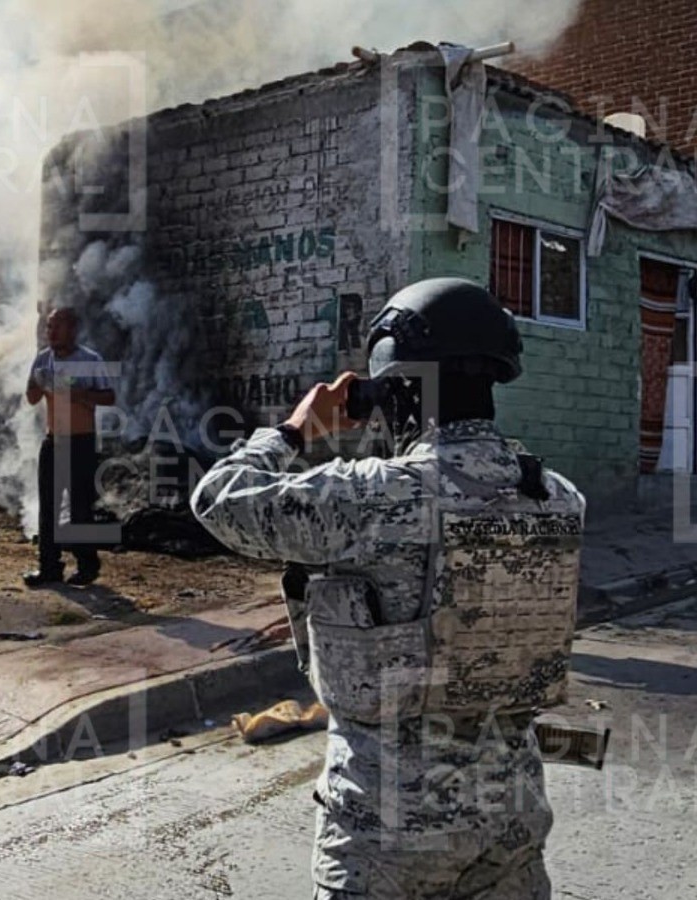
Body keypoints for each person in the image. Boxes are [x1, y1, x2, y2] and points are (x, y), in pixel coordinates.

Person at [190, 278, 586, 899]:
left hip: (384, 839)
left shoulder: (377, 495)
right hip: (509, 825)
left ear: (401, 393)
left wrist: (293, 431)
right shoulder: (559, 498)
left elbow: (218, 499)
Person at [23, 306, 116, 587]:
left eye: (56, 326)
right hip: (53, 442)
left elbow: (109, 397)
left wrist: (76, 392)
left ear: (72, 330)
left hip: (81, 443)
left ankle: (87, 566)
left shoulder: (90, 360)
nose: (50, 332)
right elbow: (30, 398)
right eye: (49, 327)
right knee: (48, 508)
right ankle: (49, 568)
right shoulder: (43, 360)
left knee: (79, 508)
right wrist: (39, 386)